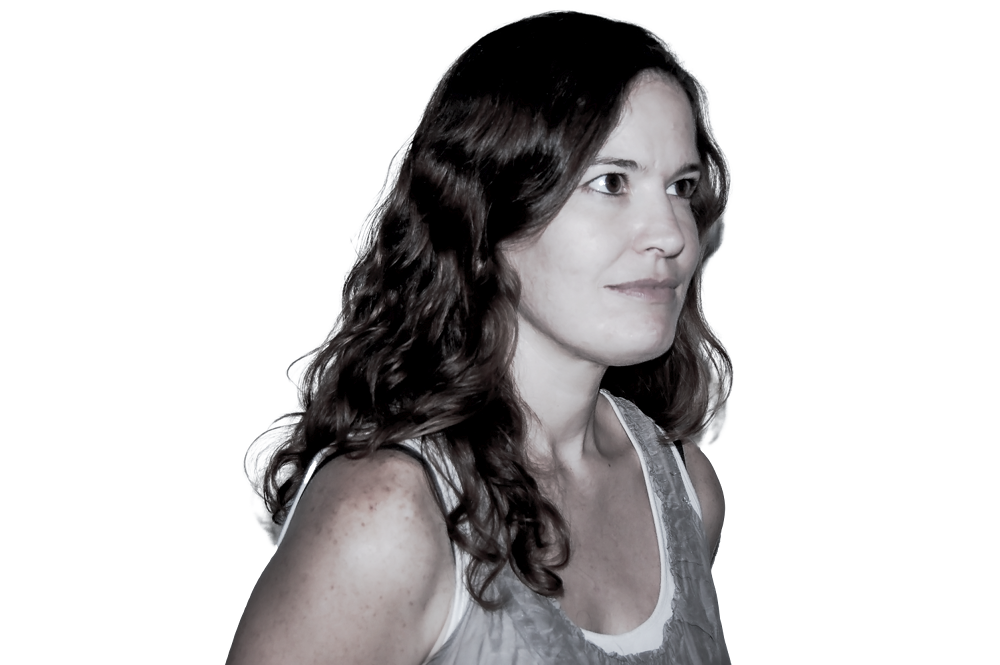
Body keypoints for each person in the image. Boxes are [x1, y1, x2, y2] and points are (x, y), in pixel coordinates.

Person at [229, 9, 733, 664]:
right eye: (611, 182)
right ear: (485, 210)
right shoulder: (387, 513)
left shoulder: (685, 490)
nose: (671, 234)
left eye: (681, 186)